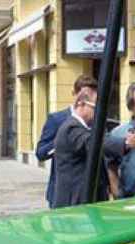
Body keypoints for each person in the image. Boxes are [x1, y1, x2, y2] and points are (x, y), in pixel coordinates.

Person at [37, 75, 99, 208]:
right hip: (61, 189)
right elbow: (40, 153)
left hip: (87, 191)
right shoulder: (57, 119)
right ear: (75, 94)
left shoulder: (95, 119)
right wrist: (63, 141)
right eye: (82, 94)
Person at [52, 91, 102, 208]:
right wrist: (124, 142)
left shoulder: (84, 127)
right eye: (95, 107)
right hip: (73, 203)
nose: (98, 113)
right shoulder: (72, 128)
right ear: (81, 104)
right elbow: (94, 144)